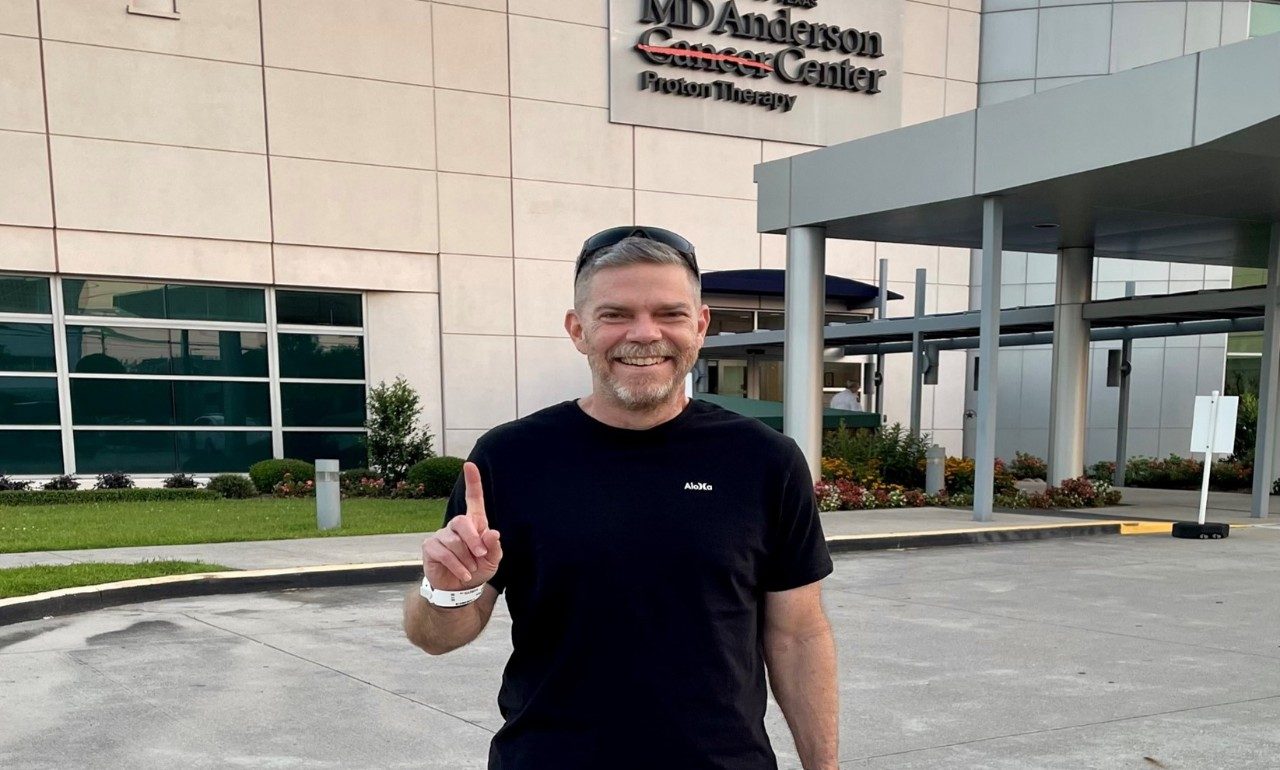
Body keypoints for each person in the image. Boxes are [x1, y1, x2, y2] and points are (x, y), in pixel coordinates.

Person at [403, 226, 838, 770]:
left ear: (700, 326)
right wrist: (447, 592)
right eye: (615, 314)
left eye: (670, 314)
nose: (645, 333)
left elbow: (798, 635)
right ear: (578, 329)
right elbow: (435, 638)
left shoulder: (764, 459)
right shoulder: (510, 457)